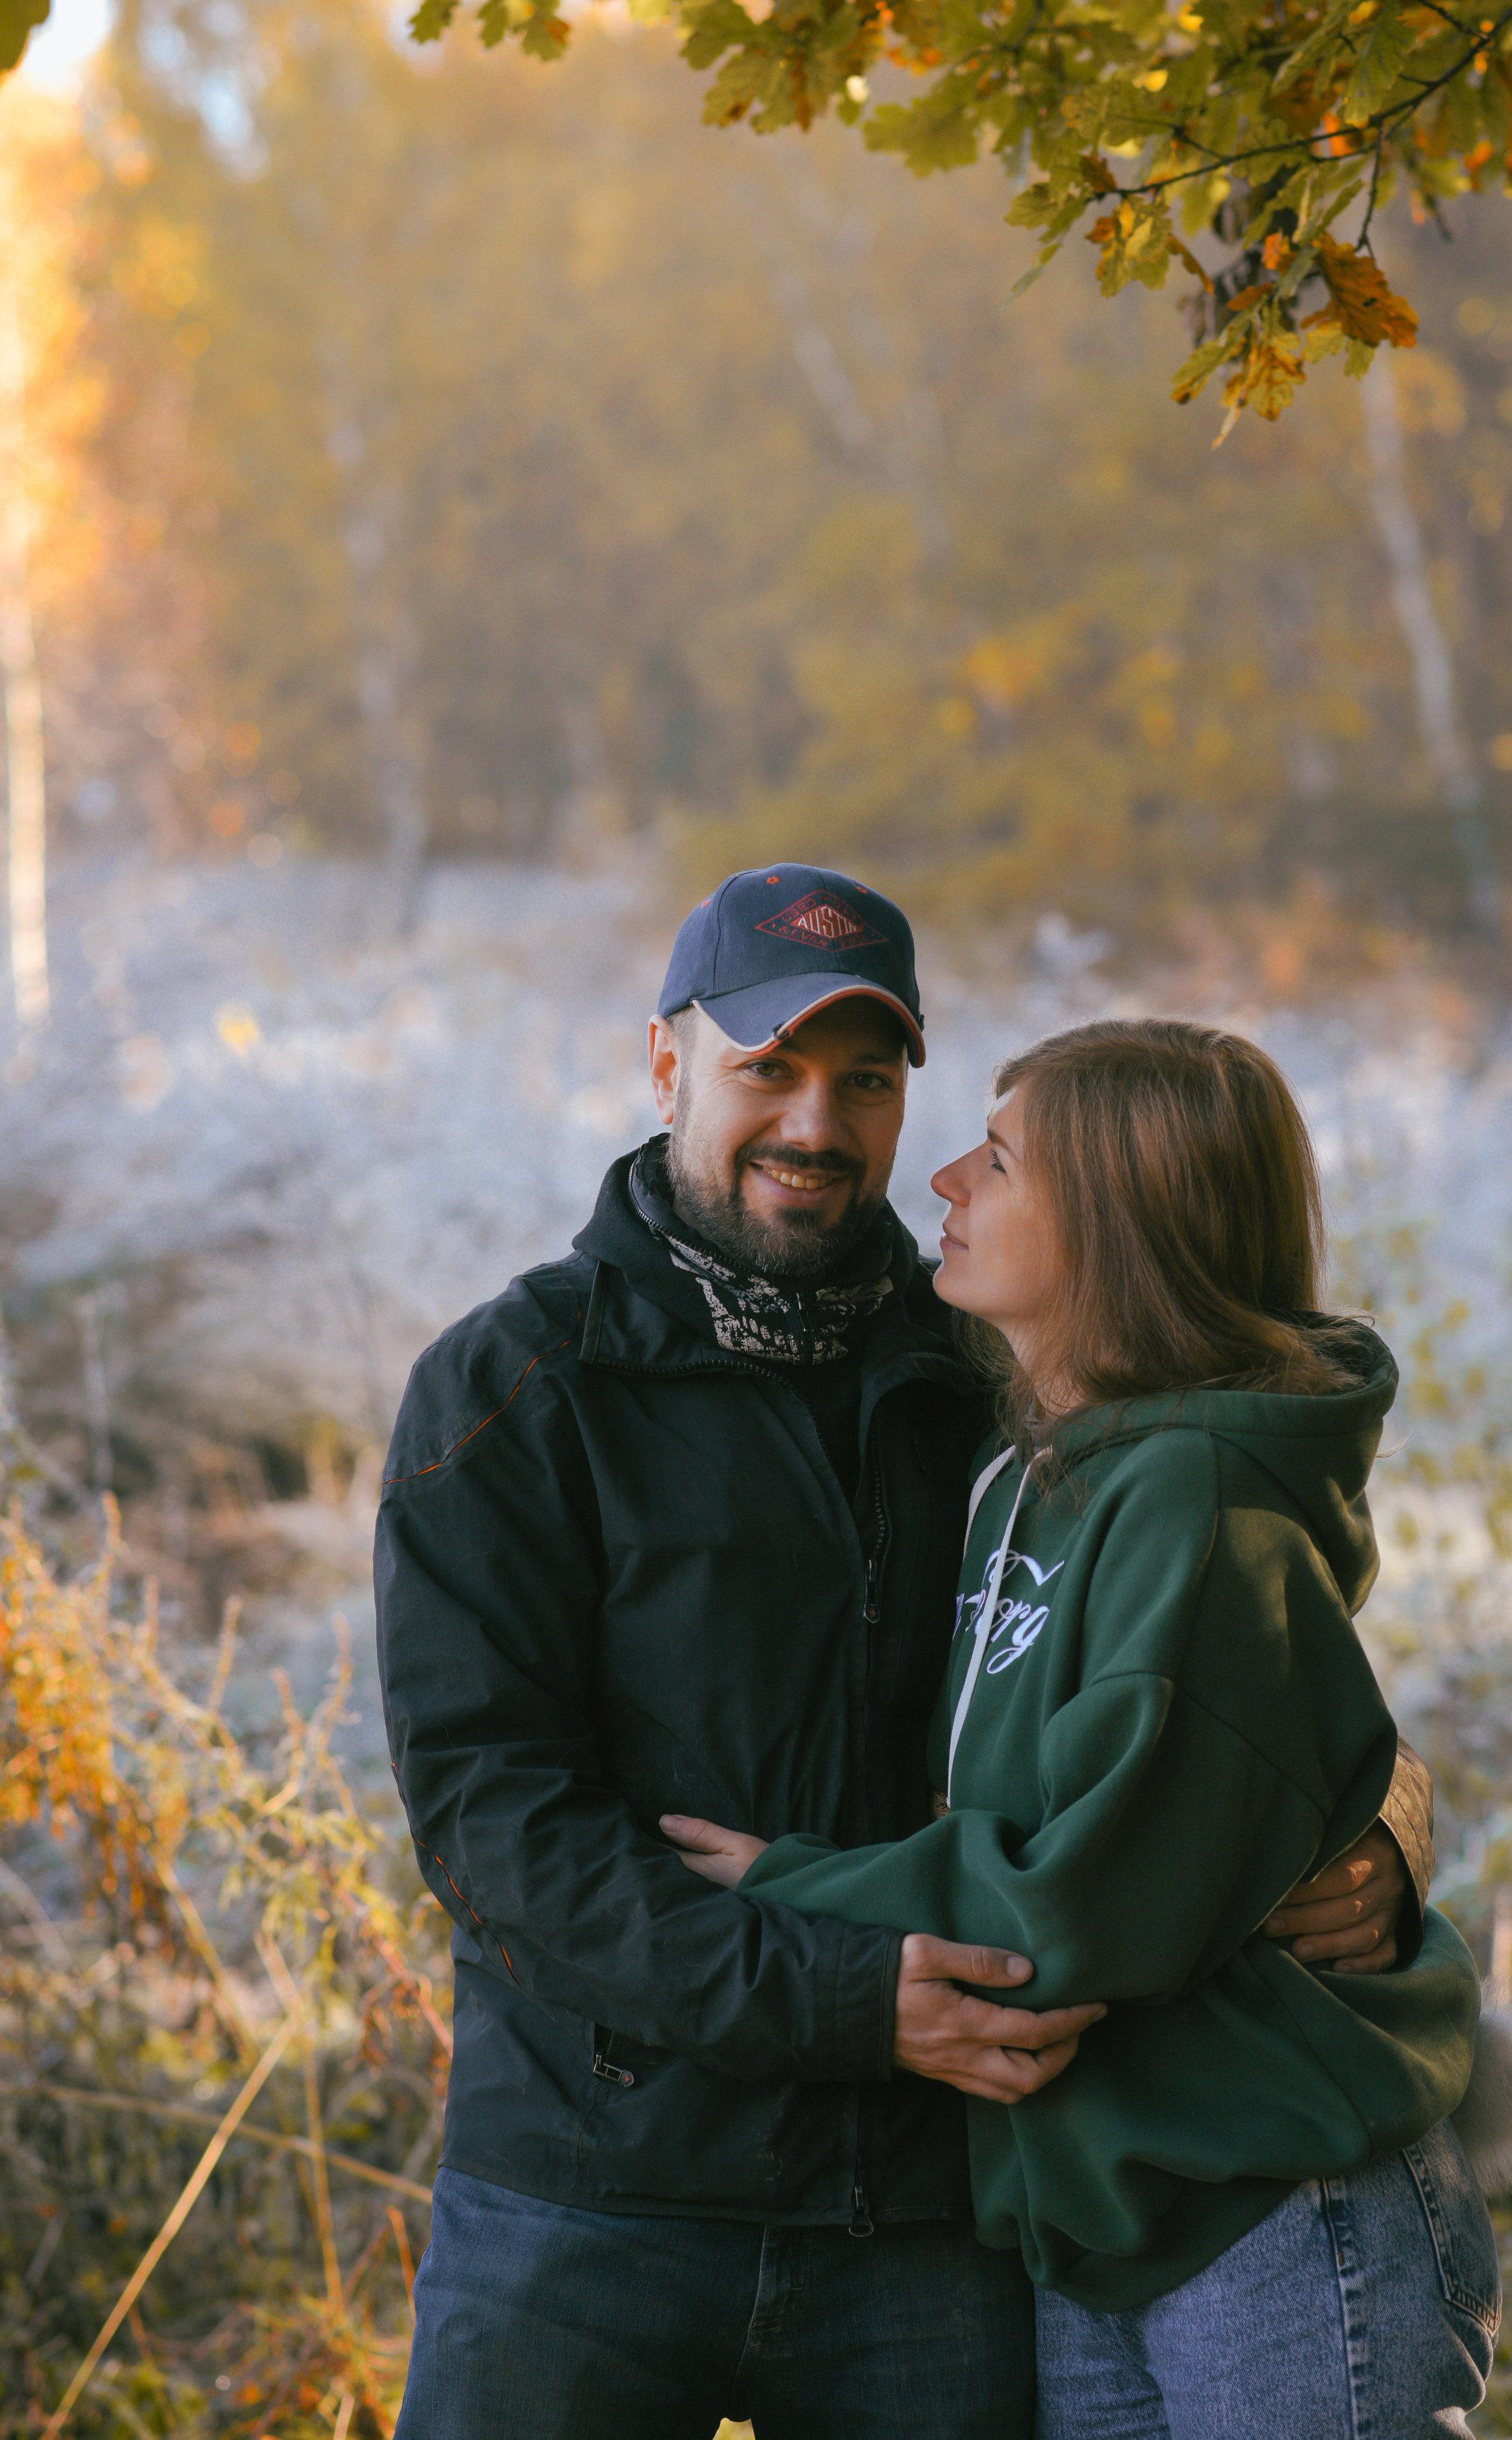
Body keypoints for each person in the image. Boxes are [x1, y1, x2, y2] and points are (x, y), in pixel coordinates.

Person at [376, 874, 1434, 2440]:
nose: (816, 1124)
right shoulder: (521, 1386)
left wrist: (1387, 1824)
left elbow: (1247, 1651)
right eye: (767, 1068)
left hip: (926, 2220)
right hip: (591, 2201)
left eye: (864, 1080)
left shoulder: (1004, 1365)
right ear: (666, 1064)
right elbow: (493, 1820)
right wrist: (842, 1999)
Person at [665, 1017, 1499, 2440]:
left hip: (1271, 2210)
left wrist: (789, 1889)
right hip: (1101, 2213)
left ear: (1116, 1224)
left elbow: (1088, 1901)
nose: (942, 1179)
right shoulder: (1025, 1470)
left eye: (996, 1160)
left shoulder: (1196, 1502)